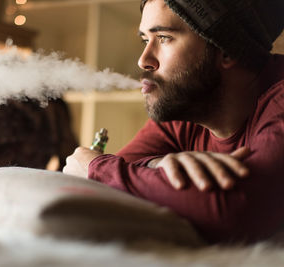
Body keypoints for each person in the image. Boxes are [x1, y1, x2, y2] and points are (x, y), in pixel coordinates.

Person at [63, 0, 284, 244]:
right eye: (145, 40)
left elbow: (235, 212)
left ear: (227, 50)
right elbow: (114, 182)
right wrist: (156, 165)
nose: (143, 60)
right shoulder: (188, 107)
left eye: (164, 37)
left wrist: (95, 167)